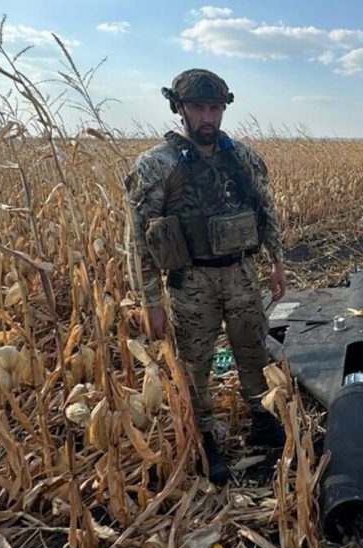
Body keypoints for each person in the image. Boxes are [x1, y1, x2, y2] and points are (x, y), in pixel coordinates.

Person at [124, 69, 288, 485]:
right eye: (199, 107)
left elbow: (266, 211)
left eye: (215, 108)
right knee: (194, 364)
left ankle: (263, 419)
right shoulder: (156, 165)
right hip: (191, 282)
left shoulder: (243, 157)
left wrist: (277, 261)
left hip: (242, 274)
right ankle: (204, 435)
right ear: (180, 109)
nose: (208, 117)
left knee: (253, 350)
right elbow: (140, 240)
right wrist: (152, 302)